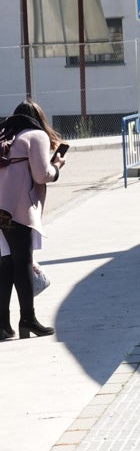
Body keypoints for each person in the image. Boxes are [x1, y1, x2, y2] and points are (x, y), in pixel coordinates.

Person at [0, 99, 66, 339]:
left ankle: (2, 324)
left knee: (5, 264)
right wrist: (57, 166)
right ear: (39, 119)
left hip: (0, 209)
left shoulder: (3, 133)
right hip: (18, 210)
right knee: (23, 262)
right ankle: (27, 320)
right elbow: (41, 175)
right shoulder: (36, 135)